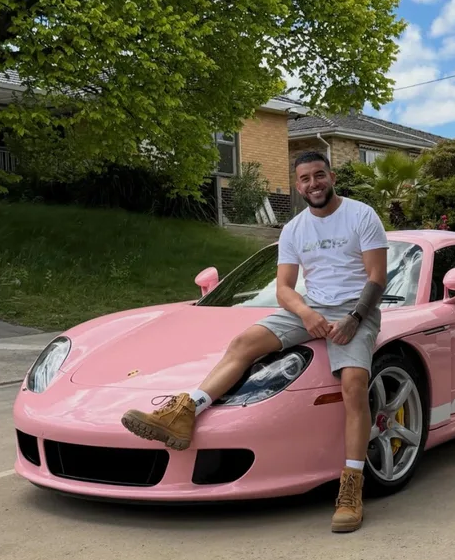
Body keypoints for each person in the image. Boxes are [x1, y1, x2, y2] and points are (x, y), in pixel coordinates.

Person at [121, 151, 388, 533]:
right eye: (305, 179)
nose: (313, 184)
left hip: (355, 310)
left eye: (319, 176)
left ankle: (351, 487)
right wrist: (308, 315)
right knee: (244, 341)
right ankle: (184, 413)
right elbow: (283, 289)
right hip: (309, 308)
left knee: (354, 385)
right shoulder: (294, 228)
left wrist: (355, 318)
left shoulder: (362, 215)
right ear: (297, 185)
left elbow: (377, 277)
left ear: (331, 177)